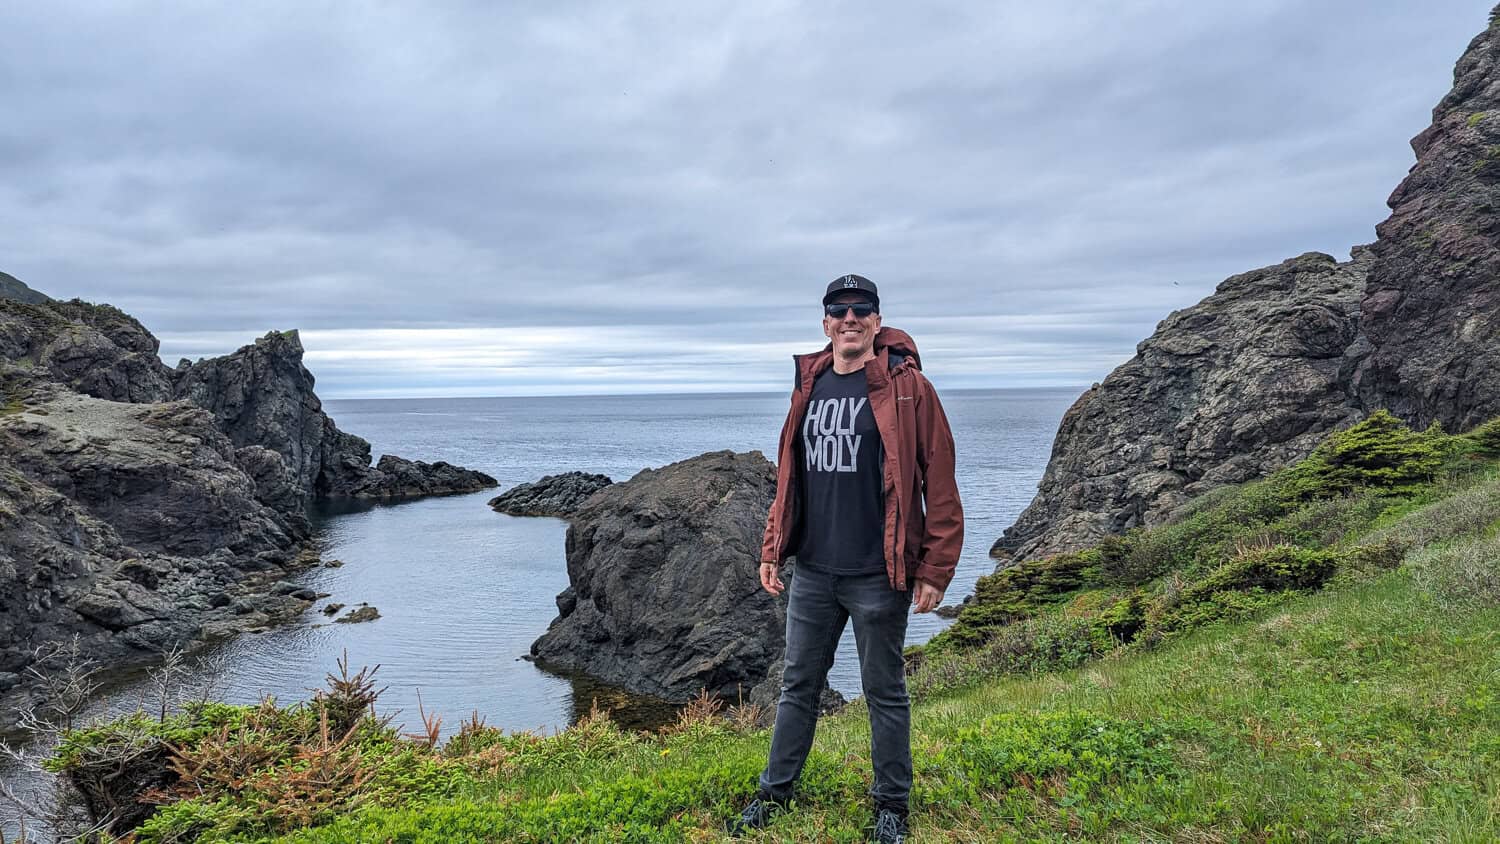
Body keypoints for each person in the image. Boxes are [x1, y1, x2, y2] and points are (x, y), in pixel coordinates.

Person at [729, 274, 964, 843]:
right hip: (812, 570)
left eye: (862, 310)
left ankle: (892, 807)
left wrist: (935, 569)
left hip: (879, 574)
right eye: (840, 309)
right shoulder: (810, 384)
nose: (850, 318)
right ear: (826, 321)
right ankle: (774, 793)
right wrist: (773, 547)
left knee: (884, 691)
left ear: (878, 322)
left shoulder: (909, 389)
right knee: (797, 686)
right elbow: (791, 476)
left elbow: (940, 479)